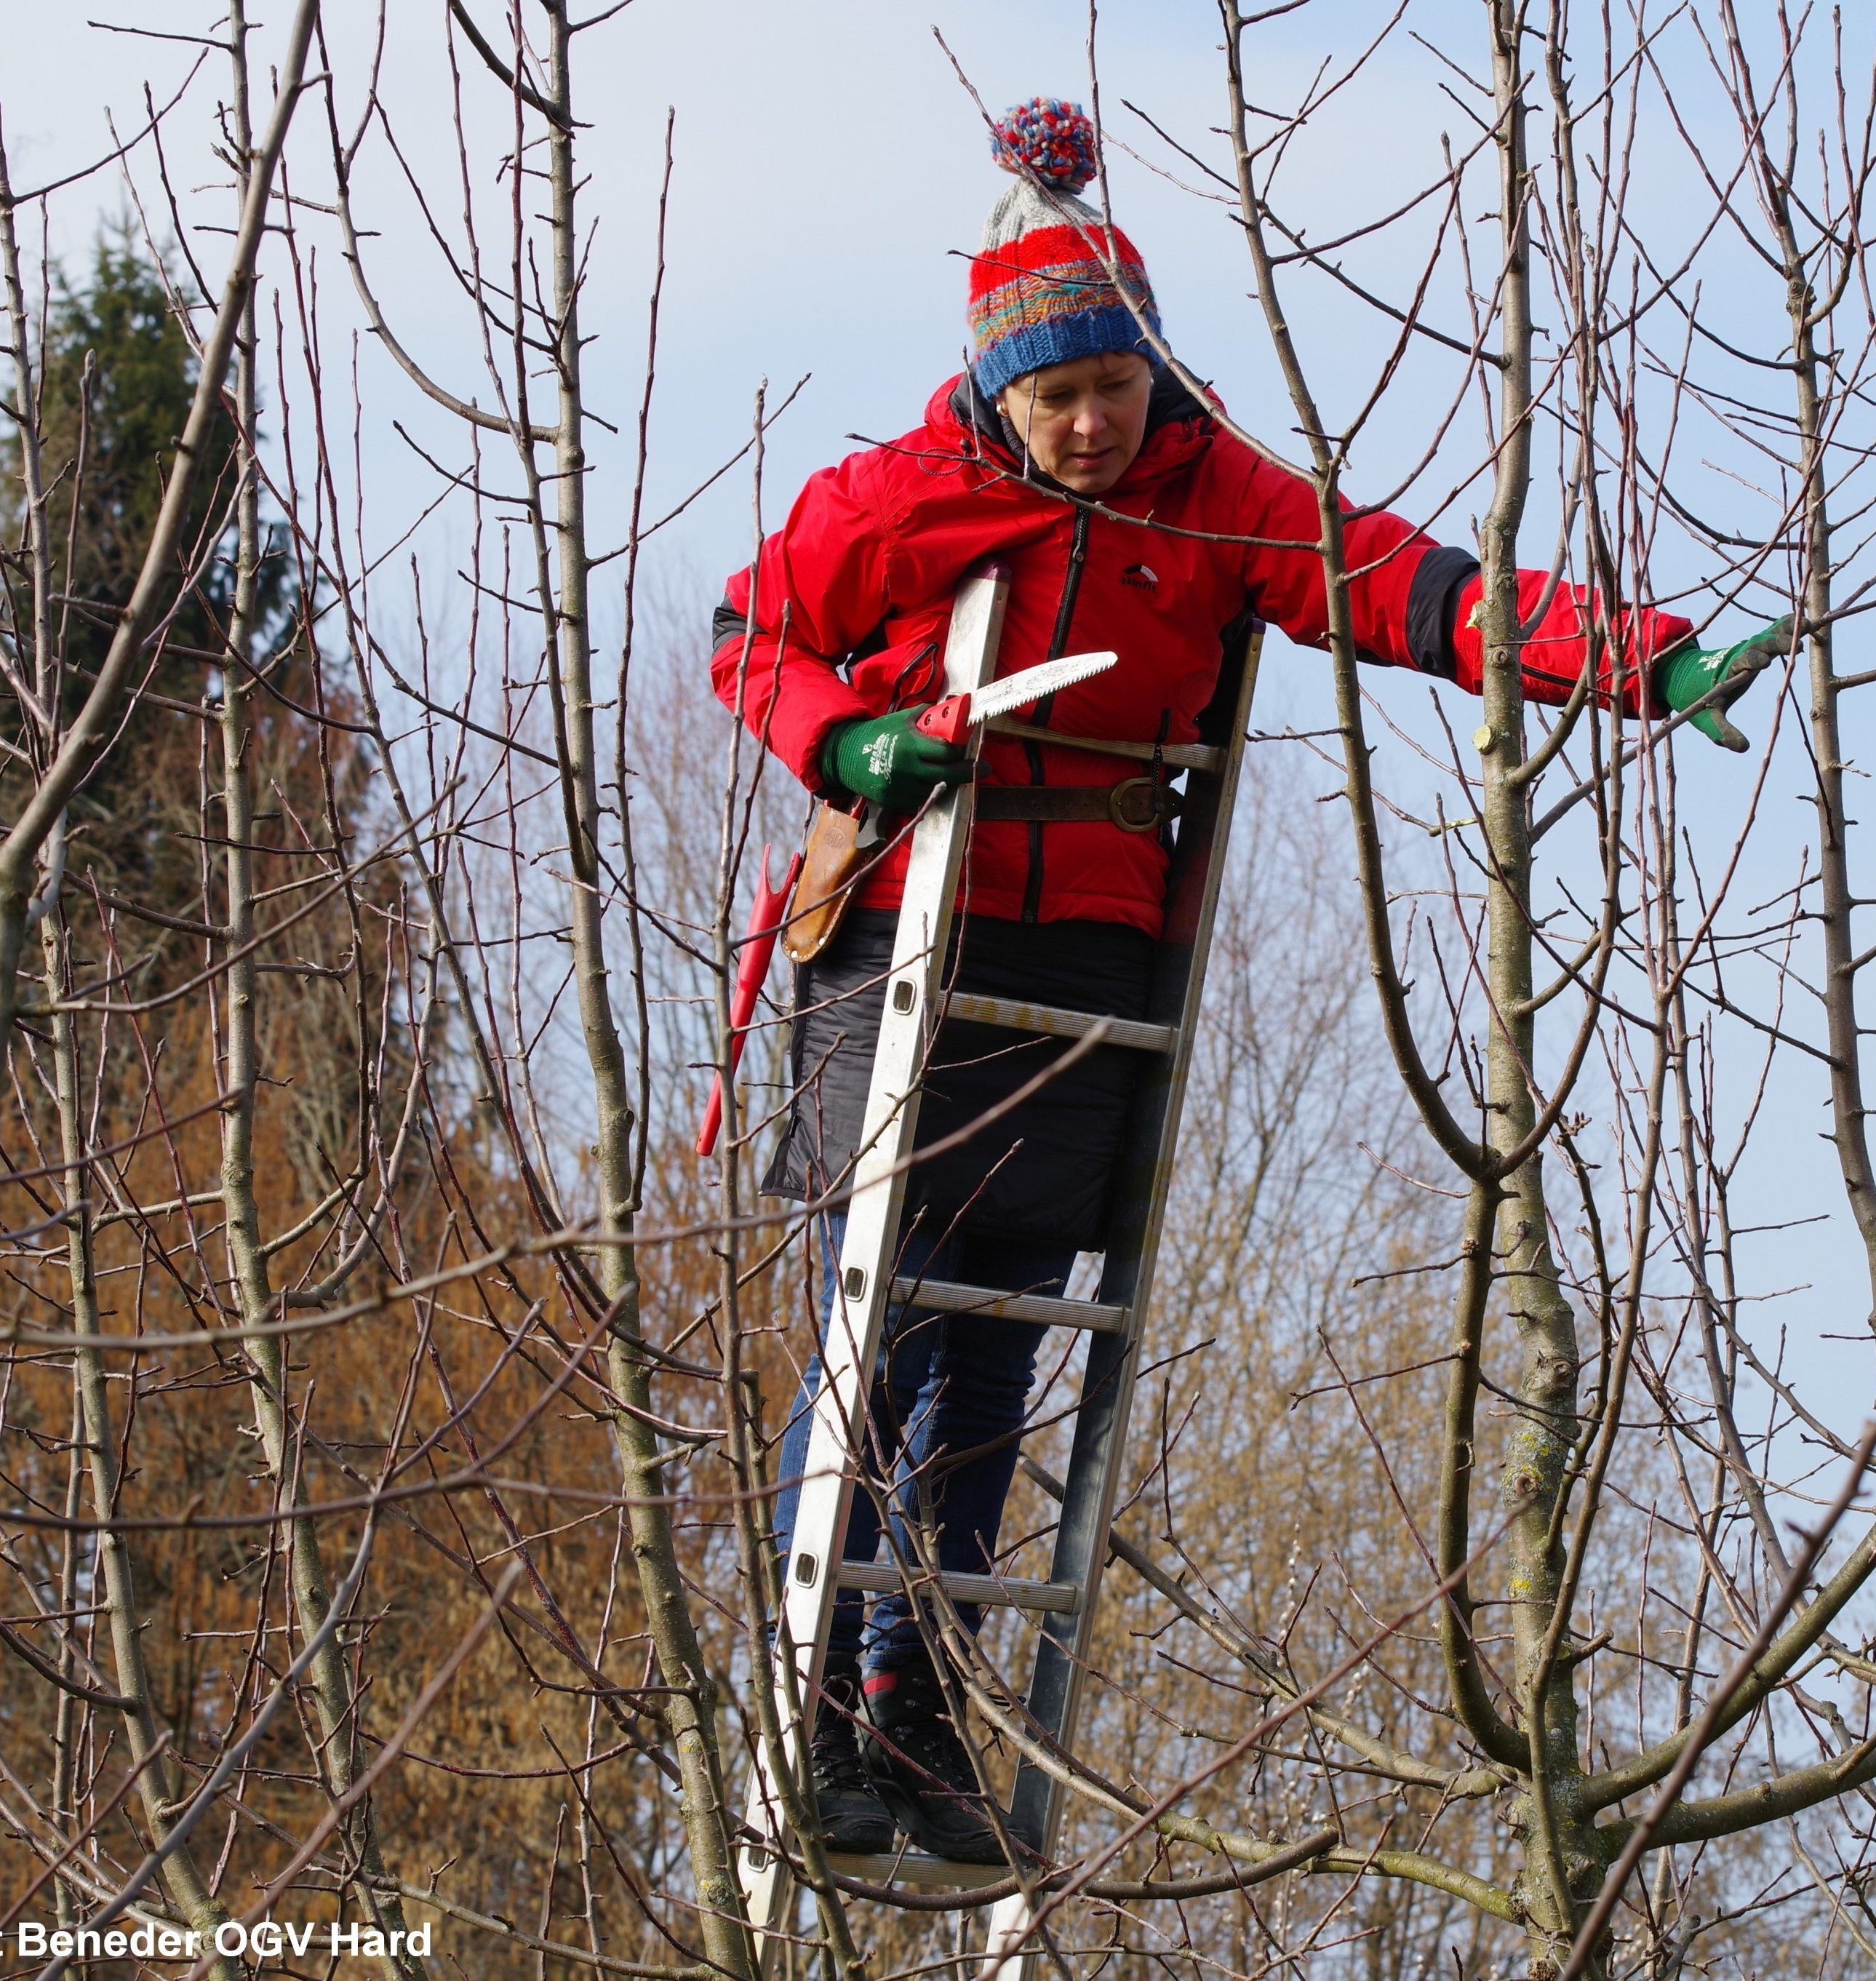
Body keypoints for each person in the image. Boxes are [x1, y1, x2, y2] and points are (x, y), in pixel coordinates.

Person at [711, 96, 1789, 1864]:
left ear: (1152, 371)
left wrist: (1637, 662)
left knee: (994, 1354)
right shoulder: (894, 500)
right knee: (886, 1329)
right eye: (1054, 400)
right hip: (910, 929)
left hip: (1091, 952)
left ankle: (918, 1715)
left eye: (1113, 392)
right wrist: (852, 742)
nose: (1086, 426)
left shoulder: (1217, 500)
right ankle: (816, 1713)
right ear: (998, 391)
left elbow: (1416, 590)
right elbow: (750, 639)